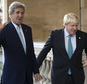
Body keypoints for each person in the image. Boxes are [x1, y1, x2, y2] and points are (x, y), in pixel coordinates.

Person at [37, 13, 87, 84]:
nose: (75, 28)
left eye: (76, 25)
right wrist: (35, 69)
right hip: (59, 76)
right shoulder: (55, 35)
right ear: (65, 24)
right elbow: (44, 52)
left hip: (77, 77)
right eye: (72, 25)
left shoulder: (83, 36)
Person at [0, 1, 40, 84]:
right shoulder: (4, 30)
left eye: (22, 13)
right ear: (10, 14)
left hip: (27, 76)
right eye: (17, 12)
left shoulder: (27, 29)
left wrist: (36, 70)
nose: (20, 15)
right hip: (11, 77)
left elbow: (31, 52)